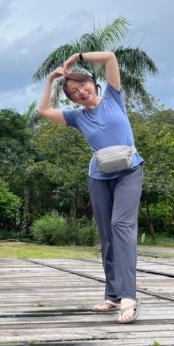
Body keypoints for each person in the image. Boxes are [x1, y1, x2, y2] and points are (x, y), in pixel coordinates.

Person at [37, 51, 143, 323]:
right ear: (71, 99)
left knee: (121, 226)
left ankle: (129, 296)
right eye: (73, 92)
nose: (80, 92)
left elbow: (110, 58)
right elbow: (43, 111)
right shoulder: (77, 117)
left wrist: (78, 56)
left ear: (92, 83)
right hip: (99, 176)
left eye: (82, 85)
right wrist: (51, 79)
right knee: (107, 234)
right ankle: (113, 296)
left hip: (129, 171)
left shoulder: (113, 97)